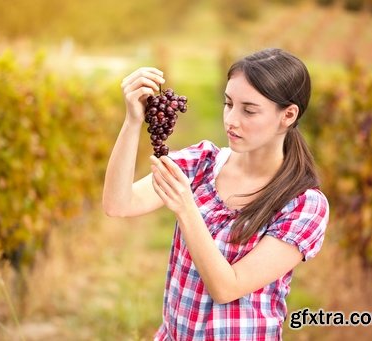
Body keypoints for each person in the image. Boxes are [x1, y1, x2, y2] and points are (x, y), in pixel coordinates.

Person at [102, 48, 329, 341]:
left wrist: (186, 208)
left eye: (248, 110)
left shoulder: (304, 206)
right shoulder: (203, 162)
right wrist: (133, 121)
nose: (231, 120)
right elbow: (118, 204)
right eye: (228, 103)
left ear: (288, 115)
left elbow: (227, 287)